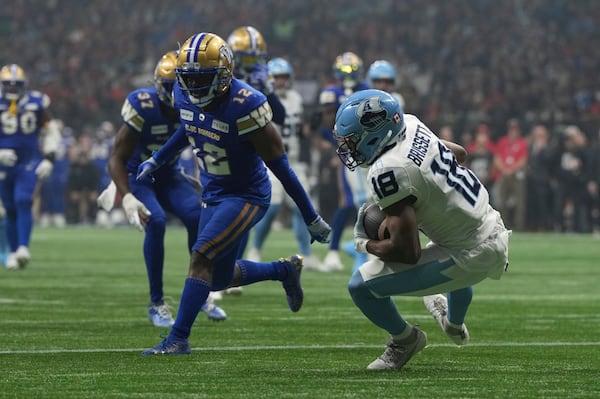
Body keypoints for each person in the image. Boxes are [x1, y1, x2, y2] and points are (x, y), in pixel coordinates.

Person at [135, 32, 330, 355]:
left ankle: (178, 339)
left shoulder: (246, 105)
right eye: (190, 78)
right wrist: (158, 158)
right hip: (214, 190)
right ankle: (284, 270)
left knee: (201, 256)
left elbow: (281, 167)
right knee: (217, 279)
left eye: (203, 78)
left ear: (224, 75)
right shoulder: (183, 94)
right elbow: (190, 125)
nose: (194, 87)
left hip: (246, 194)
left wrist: (310, 216)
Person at [333, 89, 510, 370]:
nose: (349, 148)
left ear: (375, 136)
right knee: (444, 249)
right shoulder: (411, 124)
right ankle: (453, 324)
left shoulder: (387, 169)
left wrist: (362, 243)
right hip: (489, 223)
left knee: (360, 287)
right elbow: (460, 154)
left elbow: (407, 252)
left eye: (353, 141)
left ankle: (405, 339)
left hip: (471, 253)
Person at [101, 51, 226, 326]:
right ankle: (156, 302)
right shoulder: (143, 104)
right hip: (139, 175)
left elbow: (204, 147)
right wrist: (127, 195)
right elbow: (117, 157)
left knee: (197, 216)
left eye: (178, 85)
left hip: (169, 174)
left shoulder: (195, 104)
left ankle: (201, 290)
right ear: (158, 85)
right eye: (169, 86)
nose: (175, 93)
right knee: (155, 221)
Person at [224, 25, 288, 291]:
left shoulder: (260, 81)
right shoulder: (220, 79)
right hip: (218, 151)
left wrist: (267, 92)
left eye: (255, 58)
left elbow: (280, 117)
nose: (251, 65)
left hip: (247, 156)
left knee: (242, 216)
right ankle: (220, 273)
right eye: (246, 58)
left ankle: (231, 271)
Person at [245, 57, 322, 270]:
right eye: (276, 77)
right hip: (270, 160)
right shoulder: (260, 98)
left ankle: (306, 254)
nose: (280, 81)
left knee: (302, 207)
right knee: (272, 207)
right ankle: (255, 249)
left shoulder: (296, 98)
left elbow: (298, 131)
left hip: (294, 160)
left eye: (283, 77)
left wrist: (310, 127)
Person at [0, 64, 60, 269]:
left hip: (29, 159)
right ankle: (15, 252)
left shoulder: (37, 102)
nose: (12, 89)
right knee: (8, 209)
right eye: (8, 85)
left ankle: (23, 247)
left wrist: (49, 158)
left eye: (16, 84)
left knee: (23, 200)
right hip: (3, 163)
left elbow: (51, 130)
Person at [318, 51, 369, 271]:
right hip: (348, 154)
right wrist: (336, 148)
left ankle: (358, 248)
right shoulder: (332, 92)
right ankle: (340, 251)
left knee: (363, 201)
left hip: (367, 149)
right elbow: (325, 123)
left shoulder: (367, 89)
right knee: (352, 201)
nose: (348, 75)